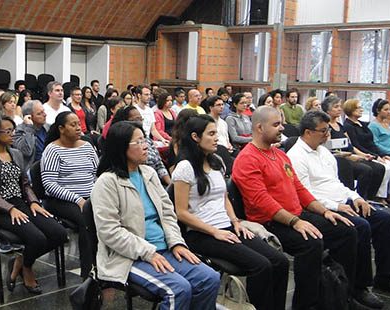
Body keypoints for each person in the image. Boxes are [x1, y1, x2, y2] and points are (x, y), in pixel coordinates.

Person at [232, 106, 359, 310]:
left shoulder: (279, 154)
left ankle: (341, 297)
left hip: (295, 215)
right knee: (310, 241)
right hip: (269, 222)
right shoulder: (247, 158)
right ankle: (306, 304)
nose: (282, 128)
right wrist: (296, 222)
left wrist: (325, 211)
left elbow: (298, 188)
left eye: (281, 123)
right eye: (276, 125)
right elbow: (261, 201)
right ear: (259, 128)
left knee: (346, 230)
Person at [92, 121, 221, 310]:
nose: (146, 146)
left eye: (145, 140)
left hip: (164, 248)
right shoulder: (107, 183)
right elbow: (109, 232)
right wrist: (148, 252)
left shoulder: (148, 173)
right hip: (128, 257)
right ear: (121, 148)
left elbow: (168, 213)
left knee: (209, 278)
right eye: (138, 142)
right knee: (178, 290)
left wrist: (176, 242)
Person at [289, 111, 390, 303]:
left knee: (384, 220)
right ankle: (357, 287)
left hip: (342, 201)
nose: (327, 134)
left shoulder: (323, 151)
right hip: (322, 207)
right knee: (361, 226)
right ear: (307, 132)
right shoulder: (296, 156)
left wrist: (356, 197)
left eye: (328, 129)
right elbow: (305, 193)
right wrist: (335, 205)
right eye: (323, 131)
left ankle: (386, 277)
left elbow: (336, 183)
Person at [173, 114, 289, 310]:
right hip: (202, 234)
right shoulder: (185, 168)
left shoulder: (216, 161)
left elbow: (224, 197)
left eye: (216, 133)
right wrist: (214, 231)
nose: (217, 137)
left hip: (227, 227)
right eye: (211, 134)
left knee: (280, 262)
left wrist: (236, 221)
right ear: (195, 137)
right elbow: (181, 213)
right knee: (261, 266)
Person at [0, 114, 66, 293]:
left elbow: (24, 184)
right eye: (7, 131)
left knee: (59, 233)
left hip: (21, 203)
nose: (12, 134)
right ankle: (28, 270)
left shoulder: (15, 153)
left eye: (12, 130)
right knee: (36, 238)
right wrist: (10, 208)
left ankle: (20, 262)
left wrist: (33, 202)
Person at [41, 111, 98, 277]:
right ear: (61, 128)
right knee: (86, 221)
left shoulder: (87, 146)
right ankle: (89, 272)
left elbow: (97, 172)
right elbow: (49, 184)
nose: (78, 128)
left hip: (89, 197)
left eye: (79, 124)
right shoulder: (52, 150)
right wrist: (77, 199)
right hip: (60, 200)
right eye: (73, 125)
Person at [322, 96, 385, 201]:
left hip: (350, 155)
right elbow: (329, 149)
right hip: (340, 158)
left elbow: (350, 145)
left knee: (379, 168)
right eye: (336, 107)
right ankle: (358, 199)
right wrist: (350, 156)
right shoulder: (326, 127)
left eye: (339, 106)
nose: (339, 109)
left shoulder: (340, 126)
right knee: (366, 170)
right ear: (328, 110)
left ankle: (370, 198)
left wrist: (363, 155)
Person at [343, 99, 390, 205]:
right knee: (385, 168)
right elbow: (356, 145)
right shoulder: (348, 126)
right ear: (351, 109)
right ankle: (378, 196)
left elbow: (371, 143)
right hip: (362, 153)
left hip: (372, 152)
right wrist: (374, 157)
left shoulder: (363, 124)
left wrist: (382, 155)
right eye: (358, 107)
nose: (361, 109)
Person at [107, 106, 172, 185]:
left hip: (154, 182)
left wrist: (170, 185)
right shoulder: (109, 180)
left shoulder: (147, 140)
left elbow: (159, 165)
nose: (140, 122)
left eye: (141, 119)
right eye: (136, 120)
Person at [13, 100, 48, 169]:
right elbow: (27, 151)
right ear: (29, 117)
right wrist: (29, 128)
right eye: (39, 113)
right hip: (32, 171)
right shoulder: (19, 131)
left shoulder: (47, 128)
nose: (44, 115)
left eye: (43, 111)